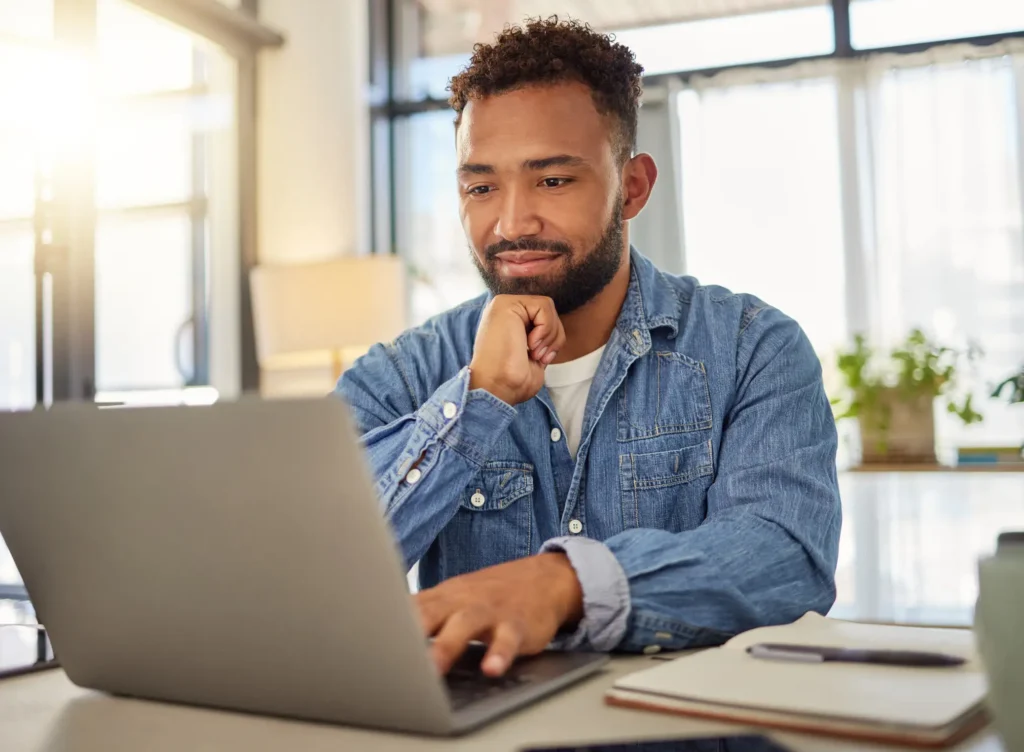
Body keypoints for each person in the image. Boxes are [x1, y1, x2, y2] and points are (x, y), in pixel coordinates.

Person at [336, 17, 841, 679]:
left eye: (552, 181)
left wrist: (564, 585)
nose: (512, 223)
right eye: (481, 186)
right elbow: (316, 576)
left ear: (632, 187)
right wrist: (473, 404)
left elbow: (786, 559)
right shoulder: (402, 375)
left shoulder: (752, 347)